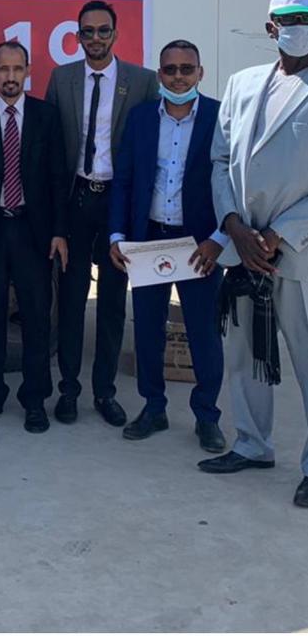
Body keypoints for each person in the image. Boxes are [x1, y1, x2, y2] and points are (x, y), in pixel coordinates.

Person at [199, 0, 308, 507]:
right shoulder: (242, 84)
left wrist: (278, 232)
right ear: (270, 28)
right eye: (289, 19)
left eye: (307, 18)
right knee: (243, 355)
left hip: (297, 251)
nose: (299, 26)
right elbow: (221, 161)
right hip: (243, 251)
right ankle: (251, 443)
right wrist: (234, 226)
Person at [108, 40, 226, 452]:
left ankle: (207, 416)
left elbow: (233, 181)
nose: (178, 77)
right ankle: (153, 407)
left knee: (203, 333)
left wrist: (219, 239)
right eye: (170, 69)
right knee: (147, 330)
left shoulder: (219, 117)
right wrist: (117, 235)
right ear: (160, 74)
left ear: (200, 73)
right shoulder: (141, 118)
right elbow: (124, 180)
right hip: (149, 240)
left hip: (199, 244)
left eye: (186, 69)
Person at [45, 0, 158, 427]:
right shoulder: (62, 78)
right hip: (76, 199)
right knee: (71, 298)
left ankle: (105, 392)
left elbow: (151, 147)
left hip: (118, 203)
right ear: (78, 37)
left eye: (102, 30)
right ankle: (68, 390)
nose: (95, 38)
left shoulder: (142, 81)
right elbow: (53, 147)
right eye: (87, 31)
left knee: (112, 301)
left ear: (115, 34)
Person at [0, 41, 69, 433]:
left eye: (17, 69)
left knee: (36, 317)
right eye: (3, 69)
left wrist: (59, 232)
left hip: (32, 230)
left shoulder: (46, 116)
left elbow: (58, 178)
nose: (10, 76)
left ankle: (35, 399)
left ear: (28, 71)